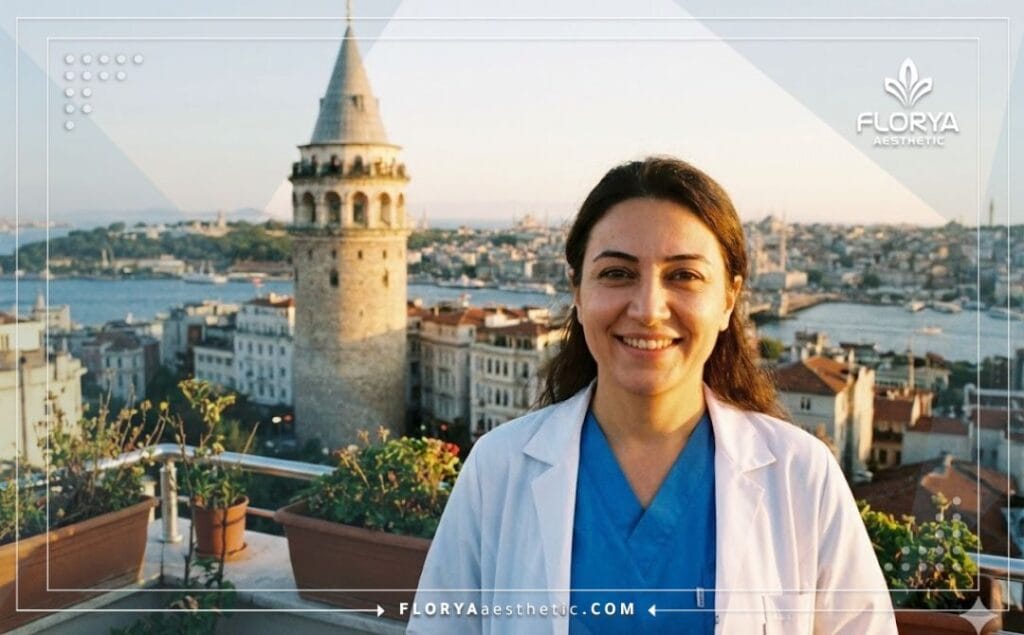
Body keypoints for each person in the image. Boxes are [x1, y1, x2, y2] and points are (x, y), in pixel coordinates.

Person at [407, 157, 896, 634]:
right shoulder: (498, 468)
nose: (647, 309)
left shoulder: (800, 475)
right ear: (577, 292)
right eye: (617, 274)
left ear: (729, 299)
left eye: (683, 275)